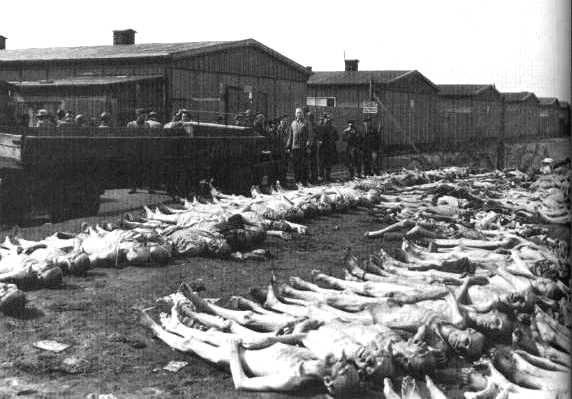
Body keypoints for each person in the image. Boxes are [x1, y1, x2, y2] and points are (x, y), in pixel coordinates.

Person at [286, 108, 310, 185]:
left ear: (303, 114)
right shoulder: (293, 123)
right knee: (296, 165)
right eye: (297, 113)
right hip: (295, 147)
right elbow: (290, 136)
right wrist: (288, 146)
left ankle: (304, 181)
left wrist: (308, 144)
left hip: (303, 147)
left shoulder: (306, 123)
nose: (299, 114)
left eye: (300, 113)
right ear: (295, 114)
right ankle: (297, 181)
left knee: (303, 165)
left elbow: (310, 135)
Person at [317, 113, 339, 182]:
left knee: (328, 163)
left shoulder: (333, 128)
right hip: (322, 147)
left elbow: (337, 137)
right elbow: (317, 135)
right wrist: (319, 141)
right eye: (326, 119)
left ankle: (328, 176)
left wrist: (332, 140)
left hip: (330, 147)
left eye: (329, 120)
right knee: (321, 162)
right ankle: (321, 176)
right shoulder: (320, 127)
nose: (328, 121)